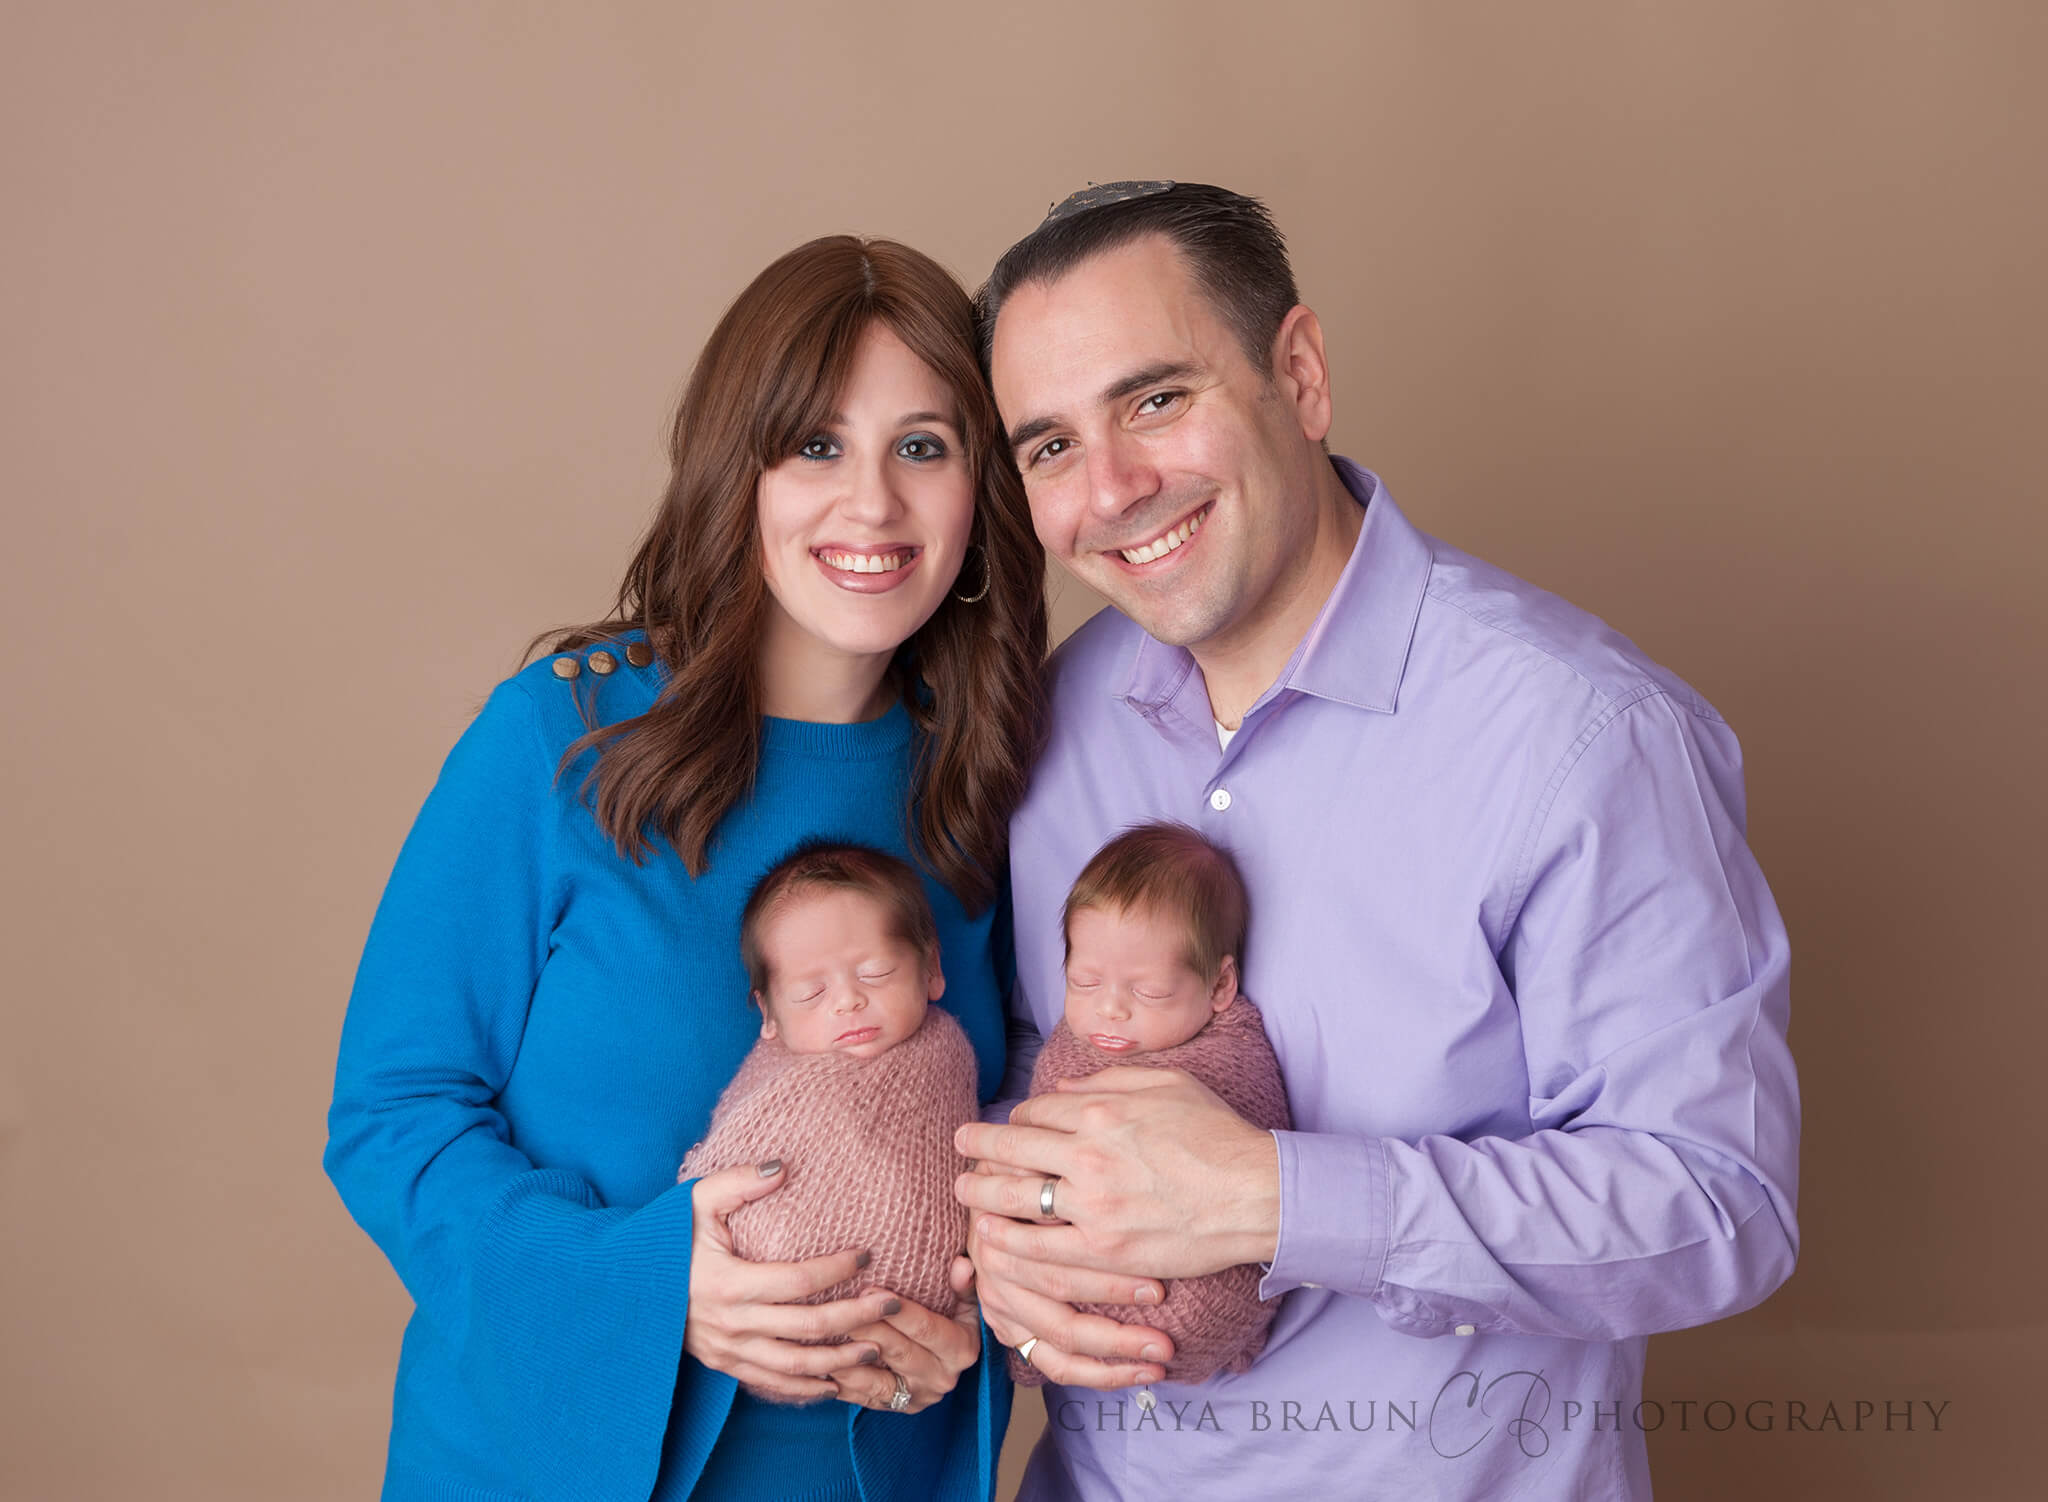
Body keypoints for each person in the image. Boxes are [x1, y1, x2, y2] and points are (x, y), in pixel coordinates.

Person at [955, 182, 1800, 1500]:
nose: (1111, 488)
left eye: (1157, 400)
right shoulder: (1050, 729)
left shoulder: (1583, 737)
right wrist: (1008, 1227)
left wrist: (1276, 1199)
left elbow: (1718, 1200)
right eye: (1049, 445)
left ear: (1298, 373)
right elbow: (1018, 1078)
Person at [324, 234, 1047, 1502]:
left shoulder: (988, 781)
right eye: (816, 445)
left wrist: (977, 1332)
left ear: (977, 490)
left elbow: (1005, 1141)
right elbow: (394, 1114)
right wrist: (655, 1285)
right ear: (738, 467)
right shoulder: (562, 735)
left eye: (922, 446)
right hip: (544, 1465)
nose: (871, 503)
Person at [999, 821, 1289, 1389]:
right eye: (1083, 981)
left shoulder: (1233, 1053)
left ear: (1219, 986)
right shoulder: (1069, 1042)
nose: (1109, 1010)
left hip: (1190, 1288)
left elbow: (1250, 1145)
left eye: (1149, 992)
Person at [677, 840, 982, 1380]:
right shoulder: (774, 1079)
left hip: (924, 1337)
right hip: (754, 1318)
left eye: (876, 972)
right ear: (768, 1014)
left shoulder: (949, 1055)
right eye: (811, 992)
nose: (846, 1000)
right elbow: (713, 1177)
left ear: (931, 968)